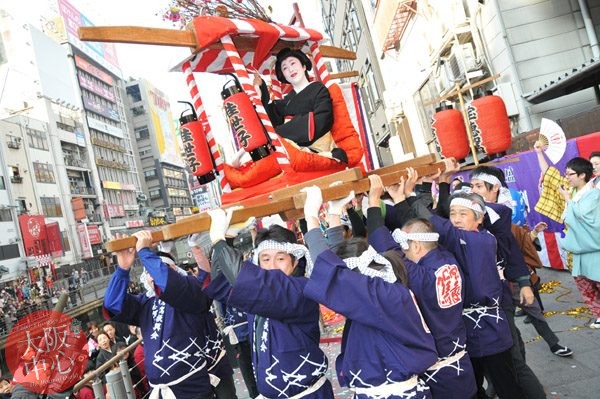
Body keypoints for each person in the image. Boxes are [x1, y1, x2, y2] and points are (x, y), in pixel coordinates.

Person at [301, 182, 441, 398]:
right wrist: (335, 213)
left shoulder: (383, 295)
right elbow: (342, 267)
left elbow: (337, 275)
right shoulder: (383, 285)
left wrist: (311, 218)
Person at [404, 169, 525, 398]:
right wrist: (441, 184)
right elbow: (439, 222)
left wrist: (410, 196)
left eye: (463, 214)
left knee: (506, 382)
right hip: (467, 330)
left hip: (490, 329)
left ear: (479, 219)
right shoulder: (460, 240)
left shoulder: (480, 240)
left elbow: (438, 225)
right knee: (473, 385)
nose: (457, 219)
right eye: (453, 213)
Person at [364, 175, 477, 399]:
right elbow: (421, 230)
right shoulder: (447, 257)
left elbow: (386, 249)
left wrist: (374, 203)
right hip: (461, 363)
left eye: (405, 249)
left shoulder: (423, 277)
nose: (403, 254)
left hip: (442, 374)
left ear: (415, 246)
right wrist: (399, 199)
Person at [208, 208, 335, 398]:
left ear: (295, 262)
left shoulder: (300, 290)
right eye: (265, 259)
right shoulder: (258, 293)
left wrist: (218, 241)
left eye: (281, 259)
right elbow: (221, 284)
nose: (272, 266)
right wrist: (227, 239)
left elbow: (257, 286)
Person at [104, 231, 234, 399]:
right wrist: (122, 268)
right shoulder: (145, 303)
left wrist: (145, 252)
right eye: (150, 273)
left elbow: (176, 283)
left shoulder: (190, 291)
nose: (154, 277)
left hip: (192, 388)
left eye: (164, 269)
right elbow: (112, 305)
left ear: (176, 271)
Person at [258, 47, 347, 164]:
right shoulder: (286, 101)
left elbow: (323, 120)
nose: (290, 69)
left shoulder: (318, 89)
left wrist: (280, 132)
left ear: (304, 66)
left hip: (318, 150)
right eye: (284, 68)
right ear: (284, 76)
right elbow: (267, 118)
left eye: (293, 63)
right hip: (293, 151)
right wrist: (261, 88)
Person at [557, 157, 600, 329]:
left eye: (570, 174)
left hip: (593, 248)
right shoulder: (574, 193)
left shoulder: (594, 193)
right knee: (586, 287)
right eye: (566, 174)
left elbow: (584, 217)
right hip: (579, 248)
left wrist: (568, 200)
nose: (567, 177)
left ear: (582, 175)